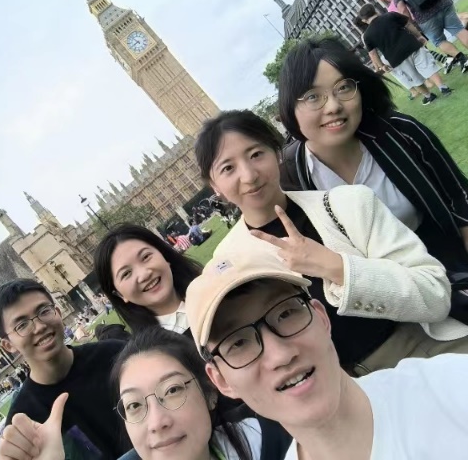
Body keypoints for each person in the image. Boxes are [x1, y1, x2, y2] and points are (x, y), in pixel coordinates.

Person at [195, 108, 468, 375]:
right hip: (332, 388)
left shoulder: (348, 204)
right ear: (215, 186)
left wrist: (338, 268)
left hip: (418, 348)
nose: (249, 175)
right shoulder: (229, 263)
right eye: (228, 168)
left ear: (277, 153)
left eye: (256, 154)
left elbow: (436, 294)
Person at [184, 245, 468, 459]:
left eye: (285, 314)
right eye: (238, 343)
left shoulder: (450, 388)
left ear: (321, 317)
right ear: (221, 380)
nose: (280, 355)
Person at [277, 37, 468, 295]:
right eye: (313, 96)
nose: (333, 106)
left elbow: (459, 197)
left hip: (449, 272)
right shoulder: (292, 178)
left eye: (343, 87)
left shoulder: (399, 133)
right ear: (290, 107)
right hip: (374, 301)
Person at [0, 327, 295, 460]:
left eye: (172, 390)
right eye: (135, 405)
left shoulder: (271, 439)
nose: (157, 422)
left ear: (210, 392)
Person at [0, 278, 127, 459]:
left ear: (58, 312)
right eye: (22, 325)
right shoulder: (23, 423)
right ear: (8, 345)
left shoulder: (116, 355)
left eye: (44, 311)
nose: (39, 327)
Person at [94, 223, 202, 335]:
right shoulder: (156, 345)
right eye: (126, 273)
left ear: (163, 254)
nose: (144, 275)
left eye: (145, 257)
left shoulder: (211, 284)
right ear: (119, 294)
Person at [359, 4, 452, 105]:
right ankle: (443, 87)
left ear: (364, 20)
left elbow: (373, 53)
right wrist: (419, 36)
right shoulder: (390, 15)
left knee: (413, 78)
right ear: (375, 10)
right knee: (428, 67)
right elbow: (408, 25)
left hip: (396, 58)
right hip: (411, 45)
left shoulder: (367, 36)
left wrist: (382, 65)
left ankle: (428, 96)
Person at [391, 0, 468, 73]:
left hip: (424, 18)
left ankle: (462, 58)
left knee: (439, 41)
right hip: (443, 3)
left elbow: (403, 10)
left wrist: (412, 25)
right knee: (459, 29)